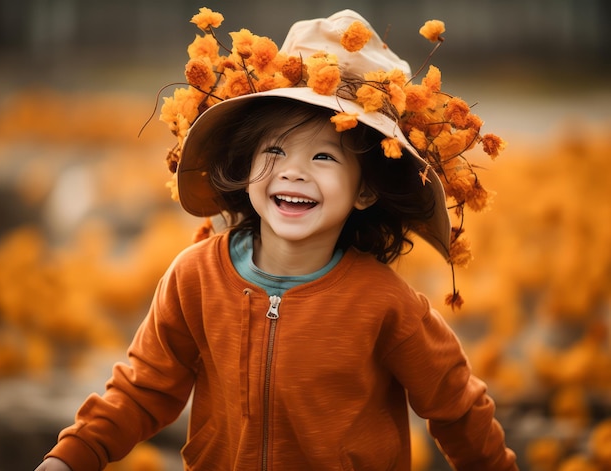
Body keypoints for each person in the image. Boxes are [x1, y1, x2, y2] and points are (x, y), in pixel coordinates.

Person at [35, 8, 518, 471]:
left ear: (366, 190)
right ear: (246, 168)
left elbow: (457, 407)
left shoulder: (385, 304)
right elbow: (142, 391)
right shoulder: (195, 277)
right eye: (275, 149)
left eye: (324, 157)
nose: (292, 171)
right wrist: (71, 457)